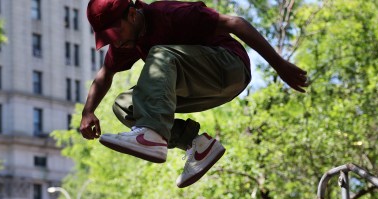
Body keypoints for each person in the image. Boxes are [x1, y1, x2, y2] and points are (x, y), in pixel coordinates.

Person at [81, 0, 308, 188]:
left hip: (229, 66)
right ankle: (197, 145)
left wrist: (279, 65)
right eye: (108, 39)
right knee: (125, 105)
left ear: (132, 14)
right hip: (201, 87)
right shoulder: (126, 44)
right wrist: (88, 111)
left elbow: (236, 23)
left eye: (116, 33)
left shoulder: (170, 13)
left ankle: (151, 135)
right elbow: (105, 74)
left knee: (160, 56)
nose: (116, 42)